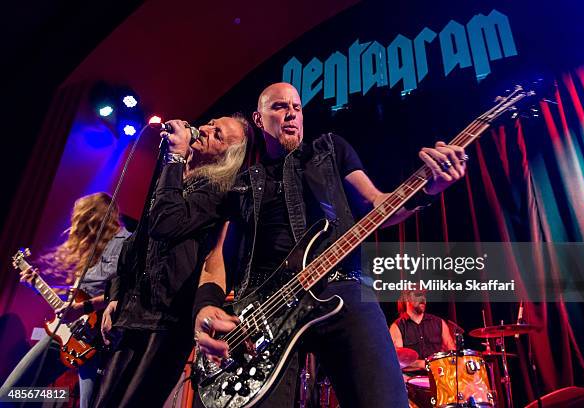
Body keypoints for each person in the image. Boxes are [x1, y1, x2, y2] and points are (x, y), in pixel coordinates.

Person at [192, 82, 468, 407]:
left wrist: (427, 189)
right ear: (258, 118)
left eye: (296, 107)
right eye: (279, 107)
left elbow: (377, 204)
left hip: (343, 288)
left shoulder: (330, 149)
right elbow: (217, 259)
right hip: (263, 312)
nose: (291, 113)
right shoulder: (242, 183)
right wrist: (205, 307)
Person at [92, 115, 251, 407]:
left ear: (225, 157)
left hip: (165, 323)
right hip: (132, 311)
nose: (205, 129)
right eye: (211, 123)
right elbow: (136, 242)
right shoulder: (171, 173)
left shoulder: (216, 194)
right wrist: (116, 295)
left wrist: (176, 157)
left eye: (217, 135)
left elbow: (165, 223)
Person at [0, 192, 129, 408]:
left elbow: (122, 293)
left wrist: (82, 308)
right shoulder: (94, 251)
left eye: (81, 219)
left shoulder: (125, 243)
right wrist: (37, 286)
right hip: (68, 332)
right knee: (11, 394)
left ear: (94, 218)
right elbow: (74, 301)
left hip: (97, 338)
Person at [389, 290, 456, 371]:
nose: (423, 299)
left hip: (438, 375)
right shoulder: (397, 327)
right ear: (407, 298)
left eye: (424, 296)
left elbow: (453, 353)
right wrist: (424, 364)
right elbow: (398, 361)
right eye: (418, 295)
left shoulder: (439, 322)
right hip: (411, 378)